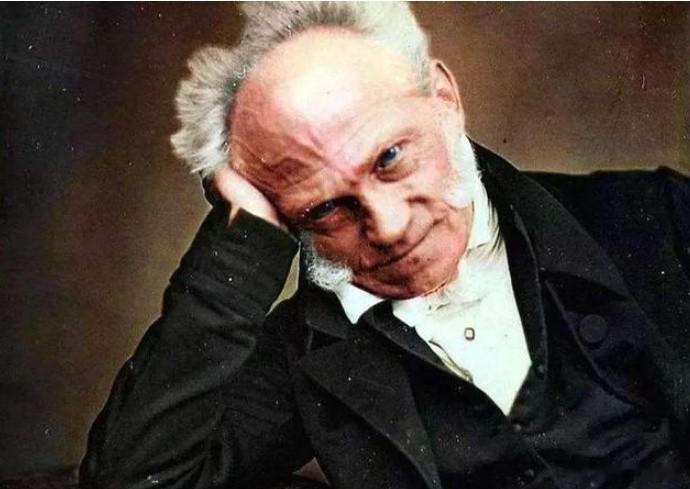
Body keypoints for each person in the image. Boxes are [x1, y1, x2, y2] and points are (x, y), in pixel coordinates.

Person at [80, 3, 690, 488]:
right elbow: (134, 480)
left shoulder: (661, 217)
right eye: (326, 207)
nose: (390, 226)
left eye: (391, 158)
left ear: (443, 100)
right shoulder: (306, 351)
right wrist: (244, 231)